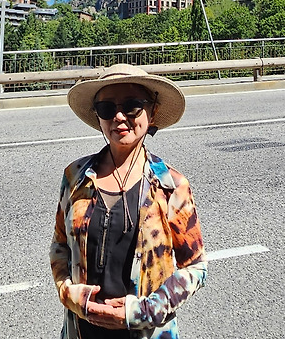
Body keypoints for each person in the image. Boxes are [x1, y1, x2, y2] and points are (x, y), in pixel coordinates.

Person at [50, 64, 207, 338]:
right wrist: (70, 294)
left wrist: (142, 312)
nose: (119, 116)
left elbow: (195, 267)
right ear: (98, 116)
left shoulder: (170, 186)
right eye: (107, 108)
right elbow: (60, 246)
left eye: (132, 106)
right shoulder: (75, 177)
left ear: (152, 111)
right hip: (81, 331)